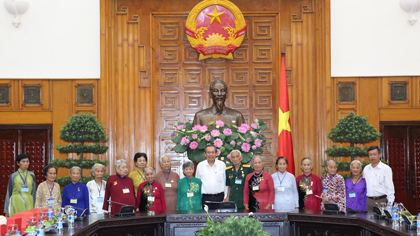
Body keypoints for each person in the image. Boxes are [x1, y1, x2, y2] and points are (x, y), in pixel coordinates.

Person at [363, 146, 395, 211]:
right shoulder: (366, 169)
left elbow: (390, 188)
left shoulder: (386, 169)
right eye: (370, 155)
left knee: (381, 221)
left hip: (382, 201)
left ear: (379, 155)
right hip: (369, 201)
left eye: (374, 154)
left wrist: (389, 204)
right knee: (368, 220)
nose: (372, 157)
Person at [196, 145, 226, 209]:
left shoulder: (222, 165)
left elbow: (225, 182)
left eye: (213, 152)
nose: (211, 154)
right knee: (206, 218)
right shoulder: (200, 166)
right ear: (205, 154)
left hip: (220, 198)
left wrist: (226, 197)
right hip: (205, 198)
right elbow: (197, 183)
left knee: (220, 218)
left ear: (216, 153)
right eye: (208, 152)